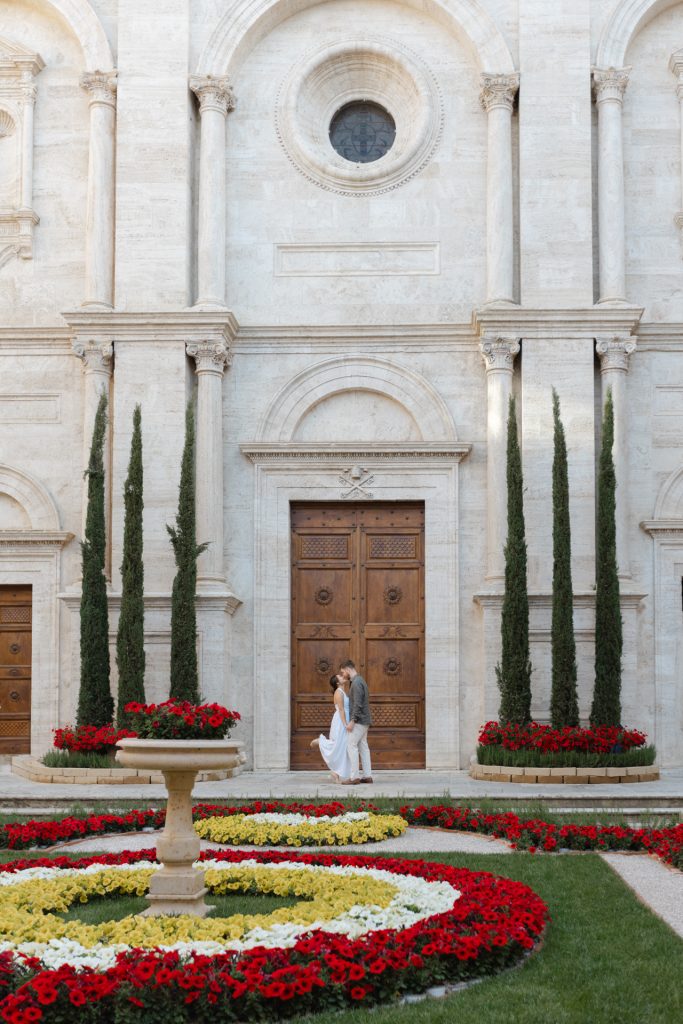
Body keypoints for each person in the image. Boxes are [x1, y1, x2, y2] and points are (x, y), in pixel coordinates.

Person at [310, 673, 351, 784]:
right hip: (341, 721)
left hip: (344, 719)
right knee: (338, 745)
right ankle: (321, 741)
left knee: (342, 747)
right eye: (341, 677)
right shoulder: (338, 692)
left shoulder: (343, 692)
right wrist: (345, 724)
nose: (343, 677)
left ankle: (335, 773)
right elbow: (341, 710)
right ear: (338, 682)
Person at [339, 659, 372, 785]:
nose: (343, 675)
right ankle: (367, 775)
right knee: (363, 747)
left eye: (343, 672)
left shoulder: (357, 683)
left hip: (359, 721)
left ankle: (354, 777)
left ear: (347, 669)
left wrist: (352, 721)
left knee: (351, 745)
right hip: (364, 720)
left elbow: (357, 704)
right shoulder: (360, 680)